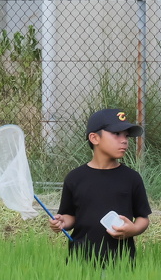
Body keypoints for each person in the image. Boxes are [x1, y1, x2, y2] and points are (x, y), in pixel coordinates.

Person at [49, 109, 151, 264]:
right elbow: (70, 215)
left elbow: (143, 217)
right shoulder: (75, 178)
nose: (124, 140)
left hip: (121, 261)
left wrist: (134, 230)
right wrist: (62, 222)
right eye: (116, 134)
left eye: (126, 136)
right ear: (94, 138)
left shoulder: (131, 178)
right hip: (81, 260)